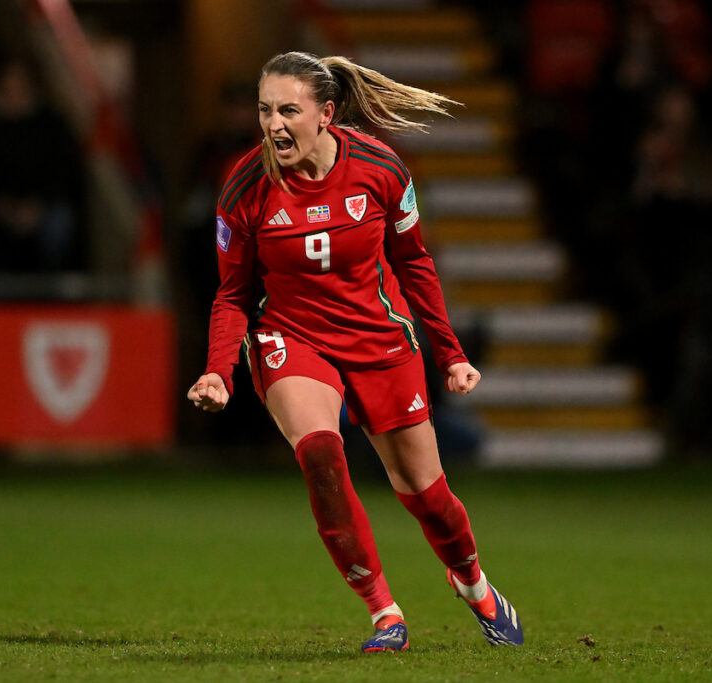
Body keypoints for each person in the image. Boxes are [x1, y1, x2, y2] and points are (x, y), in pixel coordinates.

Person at [186, 51, 523, 653]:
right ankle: (384, 614)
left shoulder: (380, 166)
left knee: (427, 494)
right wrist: (218, 371)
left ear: (326, 113)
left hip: (378, 333)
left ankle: (474, 586)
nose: (273, 125)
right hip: (293, 336)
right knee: (320, 451)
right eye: (265, 111)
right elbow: (232, 292)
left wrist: (450, 353)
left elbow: (413, 261)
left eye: (288, 110)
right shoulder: (243, 186)